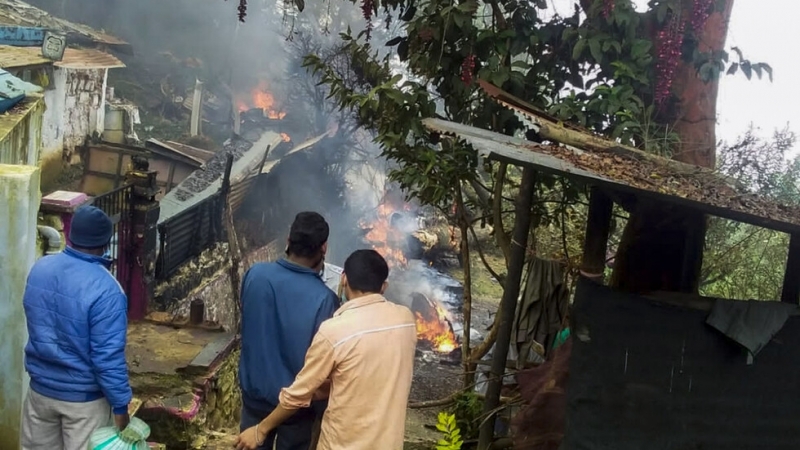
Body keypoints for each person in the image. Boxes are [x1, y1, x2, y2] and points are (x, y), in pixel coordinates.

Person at [235, 249, 418, 450]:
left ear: (344, 279)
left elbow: (298, 395)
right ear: (384, 286)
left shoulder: (335, 332)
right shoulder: (406, 321)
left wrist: (260, 431)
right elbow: (363, 370)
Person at [21, 205, 132, 450]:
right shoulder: (108, 290)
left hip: (39, 393)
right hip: (84, 402)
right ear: (105, 242)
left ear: (71, 234)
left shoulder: (40, 268)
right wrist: (121, 405)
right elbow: (107, 358)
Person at [238, 211, 339, 450]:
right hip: (296, 411)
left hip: (253, 401)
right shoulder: (325, 299)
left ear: (288, 240)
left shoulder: (255, 275)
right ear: (323, 248)